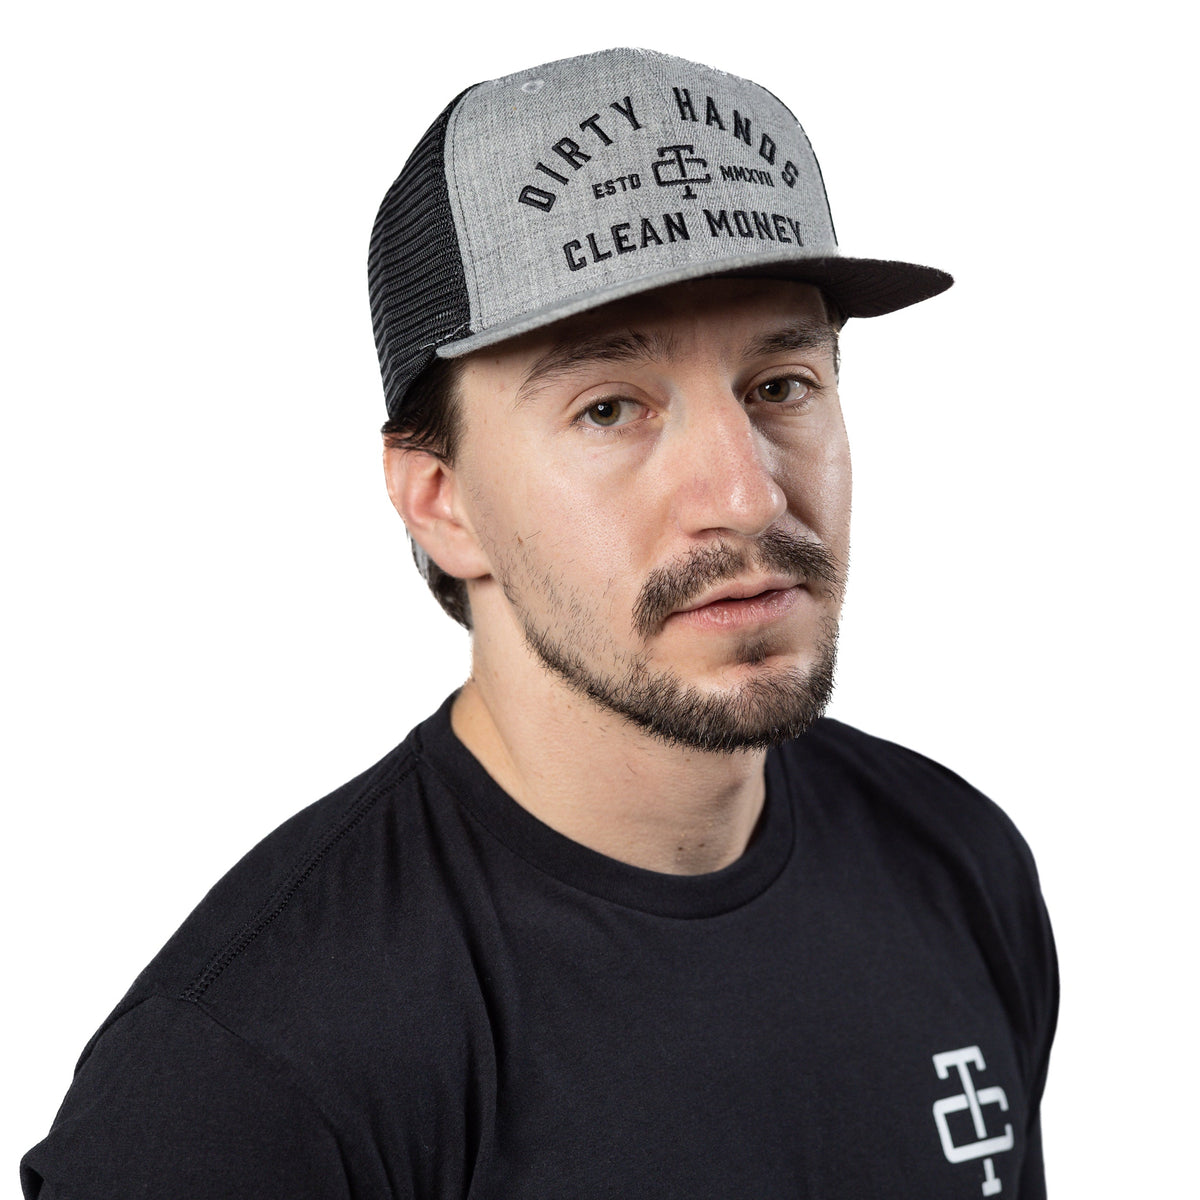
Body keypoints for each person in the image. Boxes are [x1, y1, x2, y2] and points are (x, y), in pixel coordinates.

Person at [21, 47, 1056, 1199]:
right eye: (611, 409)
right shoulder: (247, 1075)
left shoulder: (955, 863)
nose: (746, 495)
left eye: (781, 385)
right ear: (441, 501)